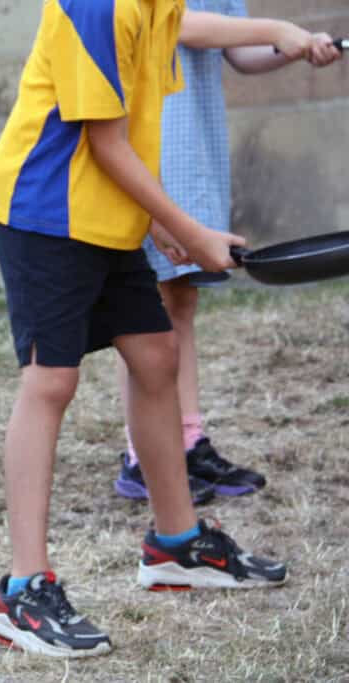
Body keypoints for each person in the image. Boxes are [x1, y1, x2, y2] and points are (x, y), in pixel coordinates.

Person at [0, 1, 318, 658]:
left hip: (106, 211)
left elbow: (142, 111)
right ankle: (22, 592)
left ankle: (176, 544)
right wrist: (188, 228)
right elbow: (103, 140)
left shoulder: (155, 4)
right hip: (45, 209)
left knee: (157, 353)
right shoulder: (95, 5)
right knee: (51, 380)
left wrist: (166, 227)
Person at [114, 3, 343, 504]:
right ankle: (143, 454)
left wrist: (296, 46)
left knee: (181, 300)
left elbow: (238, 51)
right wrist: (277, 28)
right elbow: (176, 25)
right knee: (149, 304)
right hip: (151, 136)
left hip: (195, 140)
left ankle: (187, 440)